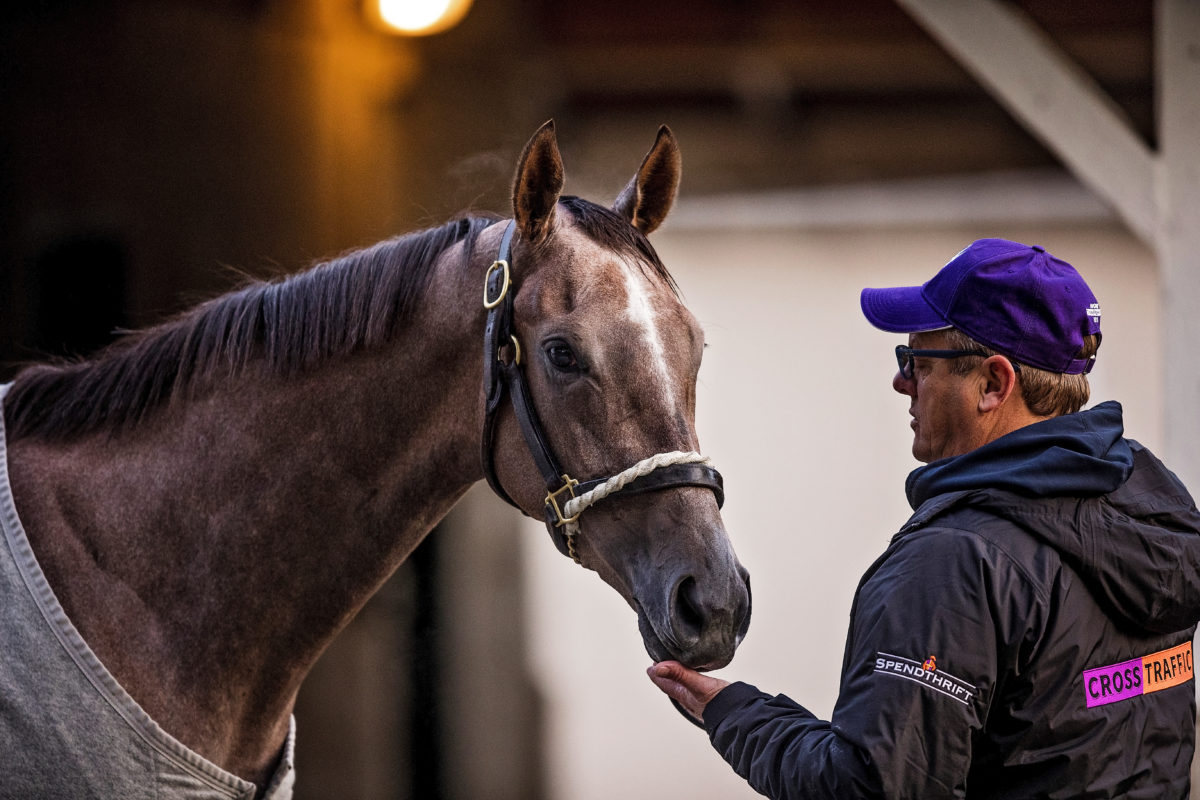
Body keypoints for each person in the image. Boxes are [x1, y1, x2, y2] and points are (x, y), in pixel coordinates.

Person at [648, 238, 1200, 798]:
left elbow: (871, 789)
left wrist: (737, 716)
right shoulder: (1152, 507)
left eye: (916, 362)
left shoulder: (955, 563)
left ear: (993, 384)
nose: (901, 382)